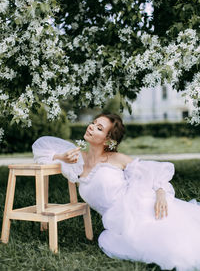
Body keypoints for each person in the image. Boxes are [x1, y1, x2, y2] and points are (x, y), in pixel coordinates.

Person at [32, 113, 200, 271]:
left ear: (107, 140)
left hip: (140, 205)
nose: (91, 127)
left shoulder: (116, 159)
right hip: (116, 222)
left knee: (177, 241)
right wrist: (61, 158)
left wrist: (161, 192)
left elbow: (149, 172)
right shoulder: (76, 159)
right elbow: (41, 149)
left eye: (99, 128)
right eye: (93, 123)